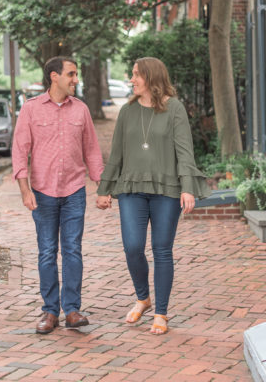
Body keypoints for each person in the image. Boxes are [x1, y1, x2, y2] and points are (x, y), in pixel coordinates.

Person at [96, 57, 210, 335]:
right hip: (132, 188)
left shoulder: (175, 109)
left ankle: (161, 312)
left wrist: (187, 187)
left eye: (137, 75)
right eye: (132, 75)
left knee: (162, 250)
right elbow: (117, 154)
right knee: (133, 247)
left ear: (152, 77)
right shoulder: (127, 111)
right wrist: (104, 189)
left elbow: (184, 151)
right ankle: (143, 298)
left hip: (166, 190)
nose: (132, 80)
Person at [12, 56, 104, 334]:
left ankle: (72, 310)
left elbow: (92, 150)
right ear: (54, 76)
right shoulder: (31, 110)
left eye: (76, 74)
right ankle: (50, 311)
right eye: (71, 74)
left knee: (73, 249)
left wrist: (102, 186)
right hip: (43, 192)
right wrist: (25, 190)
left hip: (75, 190)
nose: (76, 79)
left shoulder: (82, 110)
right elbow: (19, 151)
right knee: (47, 252)